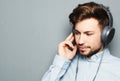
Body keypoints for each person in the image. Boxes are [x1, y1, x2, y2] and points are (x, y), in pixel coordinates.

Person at [41, 2, 120, 81]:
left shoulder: (117, 69)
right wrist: (61, 59)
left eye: (88, 34)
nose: (80, 41)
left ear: (106, 35)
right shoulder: (64, 64)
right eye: (77, 33)